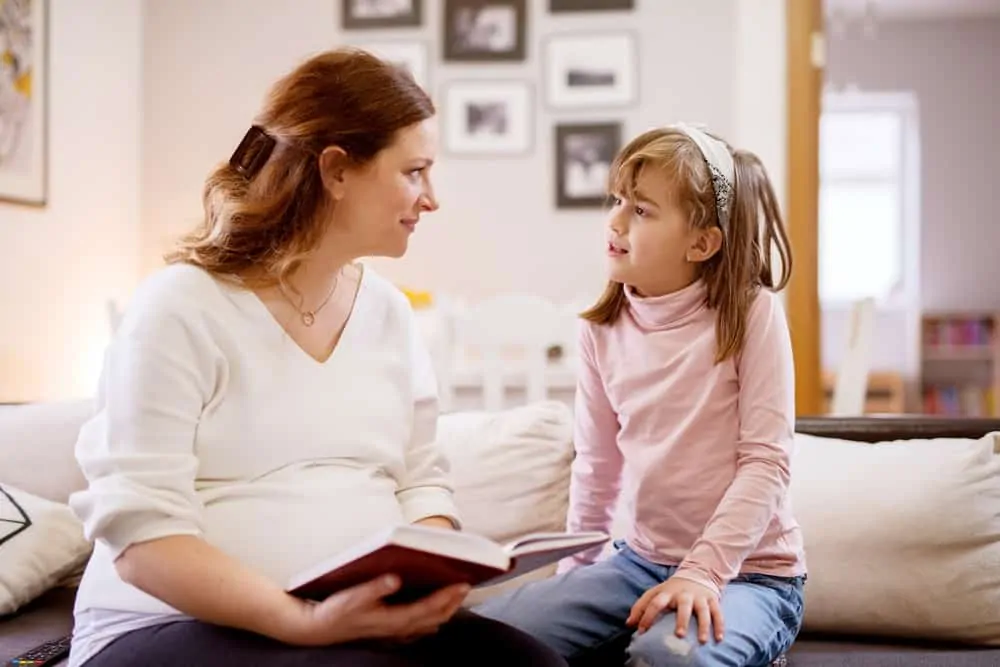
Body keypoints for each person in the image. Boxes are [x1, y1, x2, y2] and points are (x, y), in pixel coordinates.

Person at [66, 48, 567, 667]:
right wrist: (303, 622)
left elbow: (421, 484)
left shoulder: (388, 313)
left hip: (342, 618)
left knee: (532, 665)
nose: (430, 198)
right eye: (413, 172)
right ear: (335, 171)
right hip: (165, 624)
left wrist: (425, 582)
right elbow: (142, 537)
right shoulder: (180, 308)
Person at [475, 124, 807, 667]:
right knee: (487, 638)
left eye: (643, 210)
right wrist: (573, 580)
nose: (616, 219)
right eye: (617, 200)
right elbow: (597, 468)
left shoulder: (751, 314)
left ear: (702, 243)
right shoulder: (600, 330)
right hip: (639, 565)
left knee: (666, 658)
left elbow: (767, 463)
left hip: (749, 577)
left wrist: (702, 572)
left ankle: (750, 647)